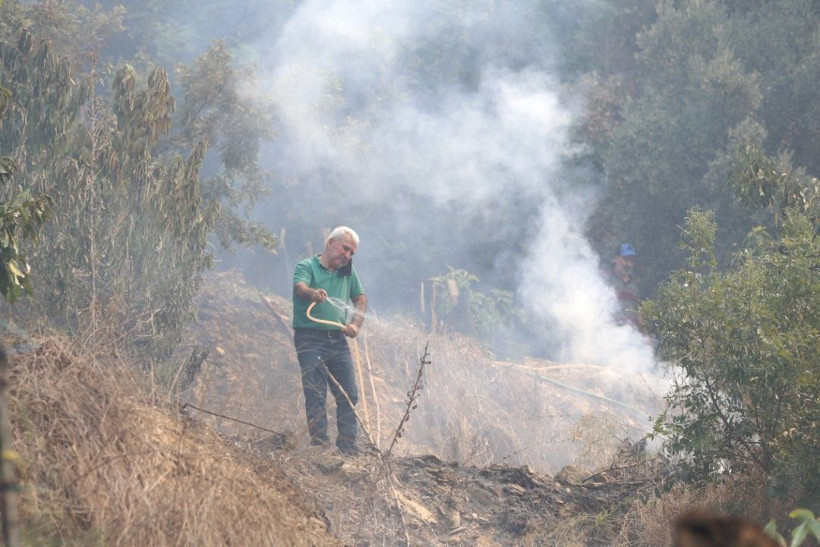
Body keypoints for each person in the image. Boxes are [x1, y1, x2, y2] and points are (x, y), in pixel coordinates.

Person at [292, 226, 367, 455]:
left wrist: (354, 324)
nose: (347, 256)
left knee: (349, 393)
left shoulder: (347, 271)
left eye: (352, 253)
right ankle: (321, 448)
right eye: (345, 249)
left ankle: (348, 447)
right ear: (330, 242)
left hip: (337, 340)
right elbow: (300, 287)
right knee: (315, 393)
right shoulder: (307, 266)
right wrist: (312, 293)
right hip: (309, 339)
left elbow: (361, 299)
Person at [606, 243, 644, 331]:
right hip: (609, 334)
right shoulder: (606, 280)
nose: (629, 264)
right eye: (626, 259)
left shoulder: (635, 285)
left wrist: (646, 337)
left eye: (631, 261)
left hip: (632, 336)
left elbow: (639, 313)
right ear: (616, 259)